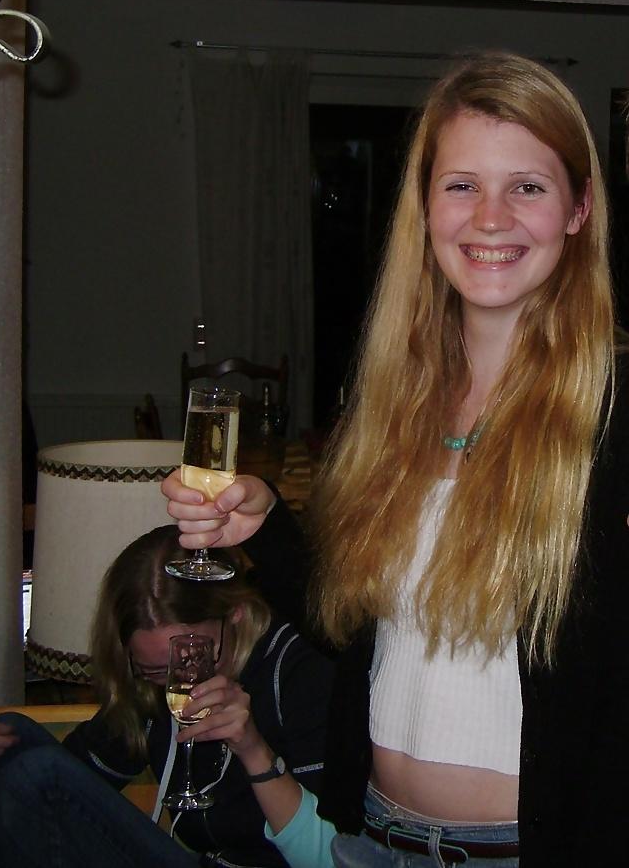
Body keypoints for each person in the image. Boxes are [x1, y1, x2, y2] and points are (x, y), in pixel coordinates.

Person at [163, 52, 629, 868]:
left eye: (526, 186)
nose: (490, 218)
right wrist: (262, 524)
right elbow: (349, 631)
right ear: (422, 206)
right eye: (461, 185)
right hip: (371, 839)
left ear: (578, 209)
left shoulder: (615, 409)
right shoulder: (391, 403)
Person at [0, 525, 334, 868]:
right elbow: (33, 803)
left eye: (194, 656)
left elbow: (329, 857)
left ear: (236, 614)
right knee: (9, 736)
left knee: (38, 770)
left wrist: (254, 752)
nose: (179, 680)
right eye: (156, 670)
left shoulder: (299, 669)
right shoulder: (153, 692)